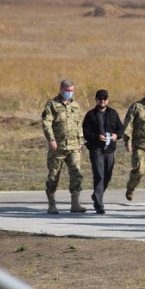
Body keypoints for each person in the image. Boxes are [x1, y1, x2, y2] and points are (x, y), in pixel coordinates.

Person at [42, 79, 87, 214]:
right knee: (53, 175)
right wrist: (51, 139)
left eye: (72, 91)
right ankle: (51, 204)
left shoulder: (75, 105)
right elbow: (46, 123)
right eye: (67, 91)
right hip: (58, 147)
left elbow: (79, 125)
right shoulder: (52, 105)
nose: (69, 93)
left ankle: (75, 204)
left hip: (73, 147)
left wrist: (80, 142)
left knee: (76, 175)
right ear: (61, 90)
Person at [82, 89, 124, 214]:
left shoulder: (113, 113)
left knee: (108, 175)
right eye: (100, 98)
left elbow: (121, 129)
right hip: (96, 149)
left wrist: (117, 135)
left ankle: (96, 195)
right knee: (99, 174)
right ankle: (99, 204)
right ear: (96, 99)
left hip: (110, 149)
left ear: (108, 100)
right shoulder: (90, 115)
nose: (102, 100)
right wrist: (97, 137)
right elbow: (86, 133)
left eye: (105, 98)